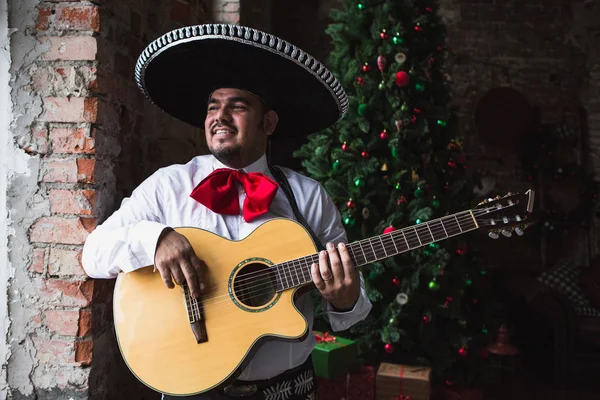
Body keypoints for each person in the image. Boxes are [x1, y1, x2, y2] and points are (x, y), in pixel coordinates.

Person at [82, 24, 372, 400]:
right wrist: (154, 239)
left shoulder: (308, 197)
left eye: (237, 106)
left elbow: (353, 305)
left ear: (268, 123)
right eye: (213, 107)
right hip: (191, 386)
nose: (220, 116)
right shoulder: (168, 186)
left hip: (286, 390)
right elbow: (93, 253)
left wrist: (344, 297)